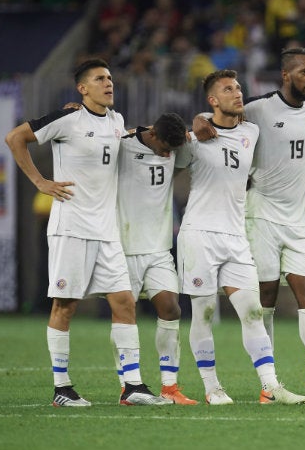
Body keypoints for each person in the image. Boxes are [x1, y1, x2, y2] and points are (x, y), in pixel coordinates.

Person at [192, 47, 305, 403]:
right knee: (264, 299)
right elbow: (220, 113)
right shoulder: (260, 108)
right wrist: (199, 119)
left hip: (296, 220)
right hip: (260, 213)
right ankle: (270, 386)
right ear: (286, 75)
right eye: (304, 73)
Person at [5, 58, 168, 406]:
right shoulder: (67, 118)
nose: (109, 83)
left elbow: (126, 139)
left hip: (106, 230)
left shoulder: (116, 120)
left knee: (124, 302)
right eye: (99, 79)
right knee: (65, 306)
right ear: (82, 88)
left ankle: (133, 387)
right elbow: (15, 137)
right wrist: (40, 181)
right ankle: (62, 389)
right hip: (72, 228)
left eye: (110, 78)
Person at [175, 69, 305, 405]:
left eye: (238, 88)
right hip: (199, 234)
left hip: (236, 237)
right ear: (212, 100)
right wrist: (199, 120)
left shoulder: (251, 131)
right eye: (228, 89)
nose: (237, 93)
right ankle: (211, 387)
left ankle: (270, 387)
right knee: (203, 311)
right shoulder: (194, 139)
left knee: (252, 310)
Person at [115, 112, 197, 404]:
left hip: (159, 249)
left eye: (172, 151)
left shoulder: (175, 147)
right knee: (125, 315)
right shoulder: (121, 146)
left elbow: (199, 136)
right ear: (151, 134)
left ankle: (169, 387)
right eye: (164, 148)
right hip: (124, 247)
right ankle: (129, 385)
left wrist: (199, 125)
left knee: (171, 308)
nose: (167, 155)